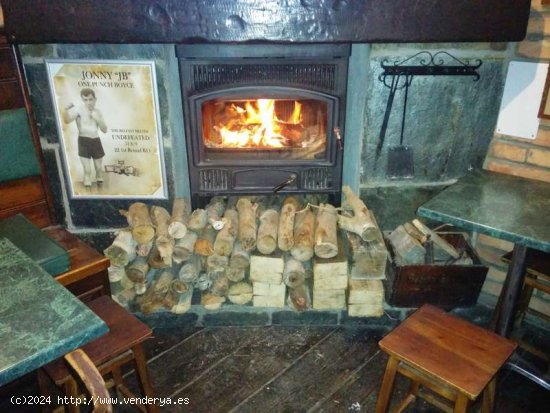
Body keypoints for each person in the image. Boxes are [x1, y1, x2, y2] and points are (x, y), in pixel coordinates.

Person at [62, 88, 108, 190]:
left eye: (90, 99)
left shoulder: (98, 112)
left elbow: (105, 130)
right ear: (83, 100)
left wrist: (99, 120)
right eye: (85, 100)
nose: (88, 102)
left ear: (95, 99)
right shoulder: (79, 110)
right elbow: (66, 120)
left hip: (95, 140)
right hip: (83, 140)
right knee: (87, 170)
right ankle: (88, 191)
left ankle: (101, 191)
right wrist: (65, 110)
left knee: (99, 169)